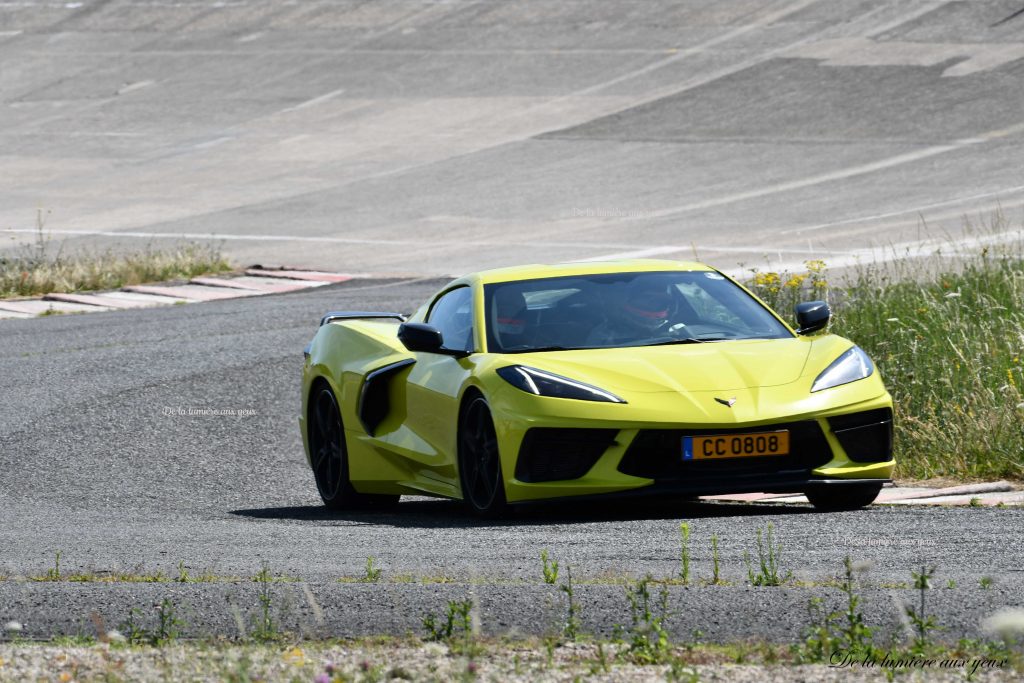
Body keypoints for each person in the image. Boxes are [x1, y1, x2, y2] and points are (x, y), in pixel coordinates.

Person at [586, 280, 680, 346]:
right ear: (629, 301)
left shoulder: (679, 330)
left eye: (660, 301)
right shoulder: (606, 332)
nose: (654, 303)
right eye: (647, 298)